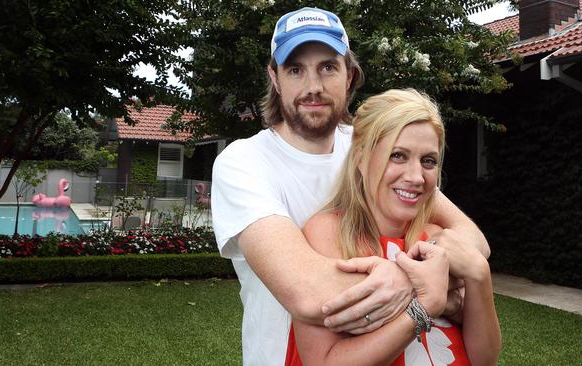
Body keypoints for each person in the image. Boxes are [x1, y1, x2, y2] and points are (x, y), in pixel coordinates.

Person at [211, 7, 490, 365]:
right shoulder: (244, 162)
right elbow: (309, 293)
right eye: (295, 69)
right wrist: (430, 287)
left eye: (328, 67)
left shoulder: (374, 148)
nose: (313, 87)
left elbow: (472, 241)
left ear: (350, 75)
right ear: (275, 78)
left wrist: (443, 268)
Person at [290, 89, 501, 365]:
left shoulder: (439, 238)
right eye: (398, 155)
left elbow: (485, 360)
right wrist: (424, 307)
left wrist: (478, 274)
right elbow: (323, 361)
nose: (416, 177)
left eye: (428, 161)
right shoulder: (328, 233)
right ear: (361, 159)